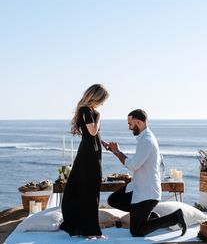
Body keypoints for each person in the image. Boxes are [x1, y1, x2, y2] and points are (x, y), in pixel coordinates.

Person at [105, 109, 187, 237]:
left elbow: (132, 165)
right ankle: (150, 216)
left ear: (138, 122)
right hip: (137, 187)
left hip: (147, 192)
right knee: (114, 200)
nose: (129, 128)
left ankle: (175, 217)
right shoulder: (144, 139)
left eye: (130, 124)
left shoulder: (147, 141)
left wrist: (117, 152)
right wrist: (114, 151)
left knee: (136, 231)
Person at [60, 84, 109, 239]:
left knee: (91, 189)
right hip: (88, 155)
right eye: (102, 99)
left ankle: (90, 229)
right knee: (89, 190)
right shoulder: (86, 110)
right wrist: (99, 116)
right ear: (96, 97)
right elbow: (93, 131)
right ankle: (91, 231)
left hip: (91, 152)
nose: (102, 103)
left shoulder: (89, 111)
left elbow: (92, 136)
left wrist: (102, 142)